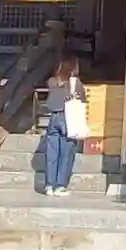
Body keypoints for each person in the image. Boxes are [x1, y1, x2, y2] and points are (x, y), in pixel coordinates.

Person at [40, 57, 83, 197]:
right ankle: (60, 186)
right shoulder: (75, 83)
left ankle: (49, 185)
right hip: (68, 118)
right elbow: (82, 99)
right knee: (66, 152)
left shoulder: (52, 81)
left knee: (51, 153)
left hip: (53, 118)